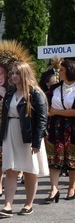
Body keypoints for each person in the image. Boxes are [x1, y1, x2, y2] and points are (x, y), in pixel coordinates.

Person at [0, 62, 48, 217]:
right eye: (12, 73)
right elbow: (4, 119)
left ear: (25, 74)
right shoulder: (10, 94)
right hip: (11, 132)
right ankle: (8, 205)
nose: (13, 76)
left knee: (29, 170)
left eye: (17, 73)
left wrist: (37, 141)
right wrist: (0, 141)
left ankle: (28, 204)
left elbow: (41, 119)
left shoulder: (35, 93)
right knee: (11, 170)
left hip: (28, 134)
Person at [45, 59, 75, 202]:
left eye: (61, 70)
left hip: (72, 128)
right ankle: (54, 189)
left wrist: (56, 111)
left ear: (69, 71)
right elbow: (46, 104)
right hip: (55, 128)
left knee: (72, 160)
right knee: (54, 159)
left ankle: (71, 187)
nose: (59, 72)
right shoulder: (55, 87)